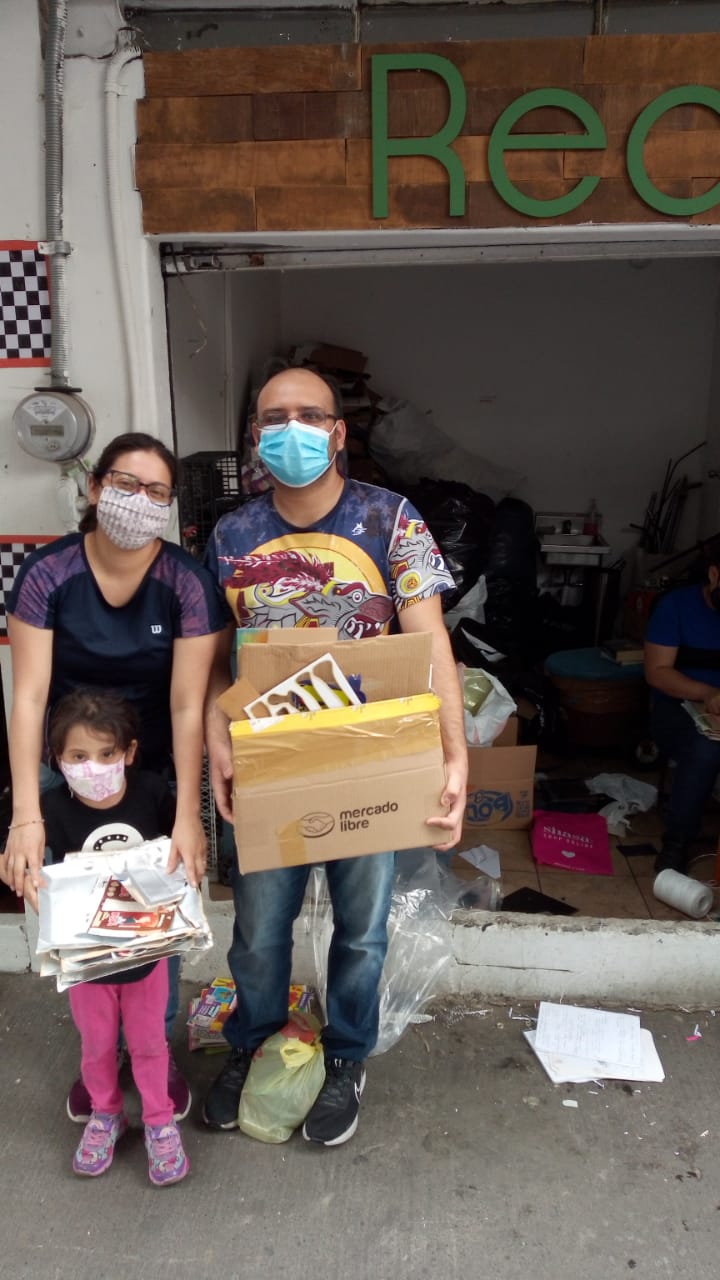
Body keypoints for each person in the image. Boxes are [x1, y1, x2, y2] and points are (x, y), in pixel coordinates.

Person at [202, 365, 468, 1145]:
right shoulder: (230, 535)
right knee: (259, 932)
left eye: (310, 415)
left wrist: (454, 757)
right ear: (255, 436)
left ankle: (347, 1056)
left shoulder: (390, 520)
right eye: (274, 417)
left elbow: (431, 643)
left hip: (367, 757)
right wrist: (217, 735)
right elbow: (215, 656)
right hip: (271, 758)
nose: (292, 430)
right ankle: (254, 1044)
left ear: (339, 432)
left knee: (361, 930)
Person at [0, 431, 230, 1121]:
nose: (140, 501)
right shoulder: (47, 573)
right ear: (96, 488)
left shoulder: (186, 583)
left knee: (158, 915)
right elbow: (28, 697)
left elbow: (189, 704)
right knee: (82, 915)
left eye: (157, 492)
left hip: (153, 772)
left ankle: (154, 1051)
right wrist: (25, 816)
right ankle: (100, 1058)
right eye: (126, 484)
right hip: (68, 771)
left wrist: (188, 815)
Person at [42, 689, 189, 1184]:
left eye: (107, 754)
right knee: (97, 1046)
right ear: (57, 758)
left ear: (129, 752)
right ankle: (106, 1114)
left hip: (146, 956)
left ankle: (160, 1121)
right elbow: (27, 862)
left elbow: (180, 849)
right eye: (78, 756)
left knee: (149, 1044)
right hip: (88, 961)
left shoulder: (151, 792)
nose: (94, 768)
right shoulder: (50, 808)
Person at [644, 558, 720, 872]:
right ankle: (677, 842)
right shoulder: (676, 606)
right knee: (706, 748)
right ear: (714, 574)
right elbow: (657, 672)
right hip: (676, 707)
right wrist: (707, 694)